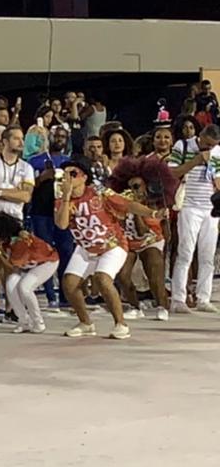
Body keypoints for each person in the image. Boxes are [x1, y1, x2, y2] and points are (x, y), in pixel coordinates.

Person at [55, 156, 161, 339]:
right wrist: (65, 198)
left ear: (84, 177)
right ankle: (85, 323)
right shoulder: (61, 198)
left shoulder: (99, 193)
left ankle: (121, 324)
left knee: (103, 279)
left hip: (112, 245)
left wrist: (152, 213)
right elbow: (62, 225)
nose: (68, 178)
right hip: (86, 247)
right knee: (69, 283)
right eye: (65, 174)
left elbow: (128, 205)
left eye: (73, 173)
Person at [0, 125, 35, 325]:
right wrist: (13, 192)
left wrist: (0, 191)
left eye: (22, 138)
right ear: (5, 141)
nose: (21, 142)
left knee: (12, 264)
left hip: (14, 219)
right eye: (16, 138)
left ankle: (12, 307)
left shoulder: (26, 167)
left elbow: (26, 196)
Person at [108, 158, 174, 321]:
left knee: (154, 271)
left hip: (150, 240)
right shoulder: (123, 203)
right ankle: (134, 306)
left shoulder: (153, 204)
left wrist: (136, 209)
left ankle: (162, 305)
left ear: (146, 186)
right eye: (129, 187)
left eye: (136, 186)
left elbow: (143, 231)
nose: (132, 190)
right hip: (129, 242)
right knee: (122, 274)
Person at [167, 123, 220, 314]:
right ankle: (178, 299)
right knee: (185, 253)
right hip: (189, 206)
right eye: (206, 144)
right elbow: (171, 173)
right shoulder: (184, 146)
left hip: (210, 209)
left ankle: (203, 298)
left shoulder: (217, 151)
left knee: (208, 256)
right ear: (201, 136)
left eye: (213, 145)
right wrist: (196, 161)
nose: (209, 148)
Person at [0, 213, 58, 334]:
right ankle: (23, 321)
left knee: (25, 287)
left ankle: (38, 322)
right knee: (10, 285)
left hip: (46, 262)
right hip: (27, 266)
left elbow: (12, 268)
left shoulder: (20, 240)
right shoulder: (4, 242)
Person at [27, 123, 74, 311]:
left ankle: (65, 295)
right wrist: (43, 178)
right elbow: (28, 187)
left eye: (63, 137)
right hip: (41, 213)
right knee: (45, 254)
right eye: (56, 136)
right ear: (49, 138)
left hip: (62, 213)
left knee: (66, 253)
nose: (59, 140)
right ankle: (49, 295)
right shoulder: (35, 161)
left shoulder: (69, 162)